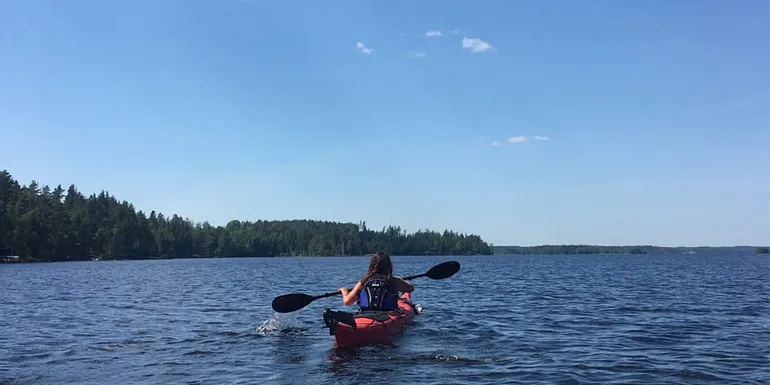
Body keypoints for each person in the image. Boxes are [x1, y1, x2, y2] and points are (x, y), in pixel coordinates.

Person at [339, 251, 414, 311]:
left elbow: (347, 302)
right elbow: (410, 288)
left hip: (366, 314)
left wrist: (344, 292)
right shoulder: (393, 280)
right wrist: (401, 281)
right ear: (389, 266)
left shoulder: (364, 281)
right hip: (388, 315)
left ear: (371, 265)